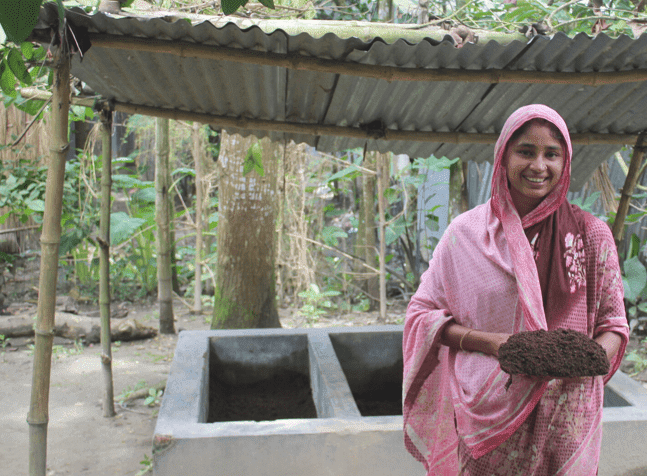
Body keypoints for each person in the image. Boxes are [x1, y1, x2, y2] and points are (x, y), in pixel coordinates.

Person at [403, 104, 630, 475]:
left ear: (565, 161)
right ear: (503, 156)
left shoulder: (591, 234)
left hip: (566, 412)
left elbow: (614, 324)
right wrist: (493, 343)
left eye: (552, 154)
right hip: (489, 411)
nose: (539, 166)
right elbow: (422, 314)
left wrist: (584, 361)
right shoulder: (465, 235)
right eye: (526, 151)